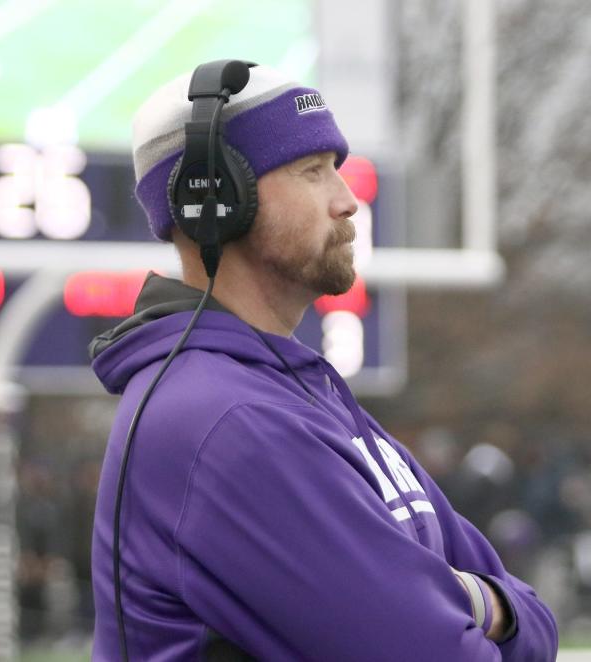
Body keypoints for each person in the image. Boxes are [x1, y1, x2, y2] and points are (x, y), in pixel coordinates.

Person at [88, 61, 557, 661]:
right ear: (216, 199)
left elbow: (531, 616)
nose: (347, 200)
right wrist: (478, 604)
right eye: (312, 172)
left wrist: (478, 605)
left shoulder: (302, 395)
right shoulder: (227, 424)